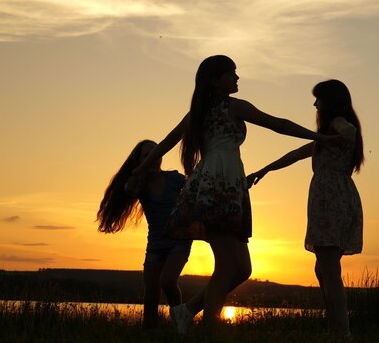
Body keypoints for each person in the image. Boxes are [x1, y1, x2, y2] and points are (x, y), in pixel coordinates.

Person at [130, 55, 333, 335]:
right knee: (227, 265)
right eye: (232, 74)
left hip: (228, 182)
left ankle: (186, 312)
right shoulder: (222, 110)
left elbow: (278, 124)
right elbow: (277, 124)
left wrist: (317, 137)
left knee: (243, 270)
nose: (237, 78)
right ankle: (210, 329)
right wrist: (319, 137)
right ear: (216, 80)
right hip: (217, 183)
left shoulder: (214, 111)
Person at [246, 79, 364, 340]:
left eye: (318, 99)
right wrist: (263, 170)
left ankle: (342, 333)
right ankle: (337, 328)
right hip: (339, 198)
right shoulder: (325, 139)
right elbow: (295, 154)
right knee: (323, 269)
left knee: (329, 270)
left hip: (329, 199)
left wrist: (337, 132)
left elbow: (349, 131)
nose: (314, 104)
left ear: (330, 102)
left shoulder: (337, 125)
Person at [97, 139, 192, 329]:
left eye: (155, 153)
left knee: (167, 281)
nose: (152, 158)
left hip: (179, 242)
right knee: (151, 293)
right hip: (156, 244)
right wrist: (140, 172)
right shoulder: (140, 185)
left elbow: (194, 187)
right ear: (140, 160)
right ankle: (149, 334)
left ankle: (182, 326)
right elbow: (128, 188)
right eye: (146, 155)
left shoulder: (173, 178)